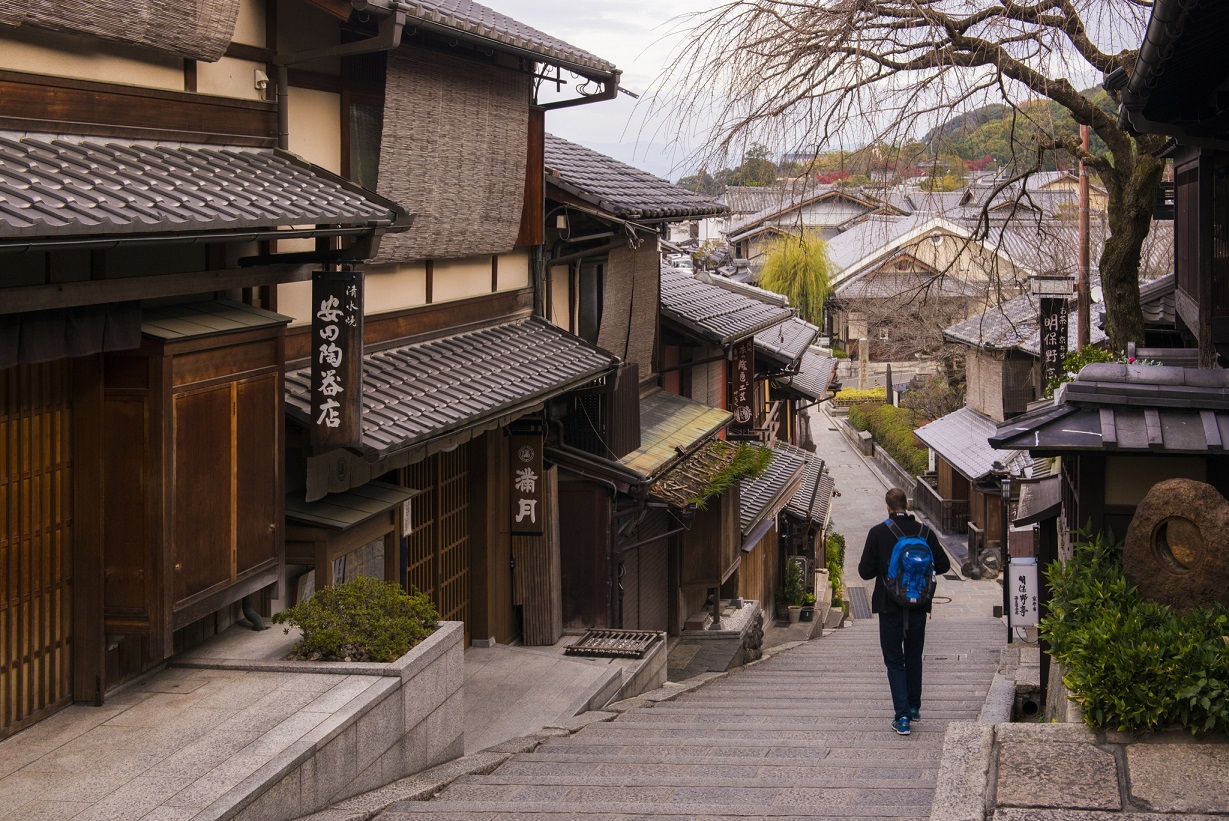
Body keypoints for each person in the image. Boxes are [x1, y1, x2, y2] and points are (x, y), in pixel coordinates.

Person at [858, 487, 950, 736]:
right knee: (913, 655)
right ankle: (913, 706)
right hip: (918, 605)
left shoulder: (878, 533)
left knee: (894, 660)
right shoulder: (925, 532)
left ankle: (902, 718)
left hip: (889, 606)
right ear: (907, 505)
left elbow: (864, 572)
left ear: (887, 507)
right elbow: (943, 564)